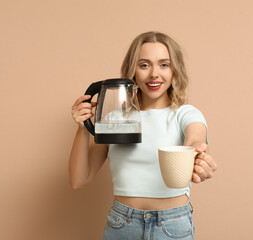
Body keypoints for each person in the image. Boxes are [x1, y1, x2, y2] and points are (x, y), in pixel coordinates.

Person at [69, 31, 217, 240]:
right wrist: (83, 129)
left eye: (164, 64)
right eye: (144, 65)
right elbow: (78, 180)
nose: (154, 74)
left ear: (175, 70)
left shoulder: (186, 114)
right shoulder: (116, 119)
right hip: (122, 225)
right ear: (133, 71)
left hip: (172, 226)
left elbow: (195, 140)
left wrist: (198, 157)